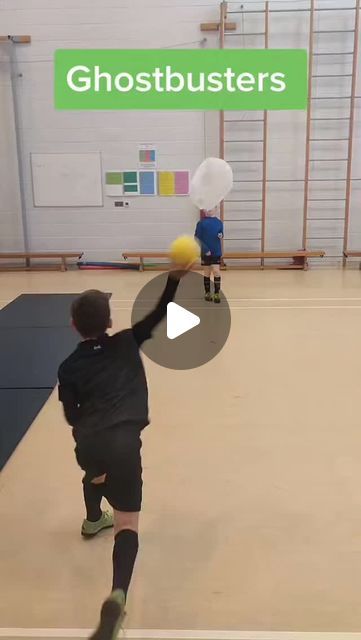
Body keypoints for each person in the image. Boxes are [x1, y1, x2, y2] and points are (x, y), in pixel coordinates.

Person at [58, 266, 190, 640]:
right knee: (127, 525)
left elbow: (72, 417)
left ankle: (91, 517)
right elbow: (162, 311)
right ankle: (118, 595)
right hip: (125, 443)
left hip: (89, 443)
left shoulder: (68, 367)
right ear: (110, 321)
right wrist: (175, 278)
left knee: (95, 469)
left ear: (73, 325)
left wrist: (89, 450)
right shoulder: (129, 341)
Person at [195, 207, 223, 303]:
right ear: (204, 210)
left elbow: (221, 233)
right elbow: (197, 238)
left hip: (216, 251)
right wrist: (205, 249)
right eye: (207, 208)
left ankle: (216, 293)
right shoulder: (201, 223)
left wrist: (220, 234)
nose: (209, 210)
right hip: (205, 252)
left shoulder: (219, 222)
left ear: (216, 209)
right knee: (207, 272)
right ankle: (207, 292)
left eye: (211, 208)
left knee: (216, 271)